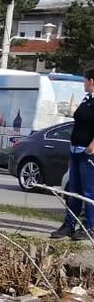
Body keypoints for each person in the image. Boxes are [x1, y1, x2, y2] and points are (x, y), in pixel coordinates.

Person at [51, 69, 94, 240]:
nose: (83, 84)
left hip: (88, 153)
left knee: (89, 192)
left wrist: (92, 147)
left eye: (84, 80)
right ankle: (69, 225)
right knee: (73, 191)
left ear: (91, 81)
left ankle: (90, 226)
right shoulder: (87, 99)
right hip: (75, 150)